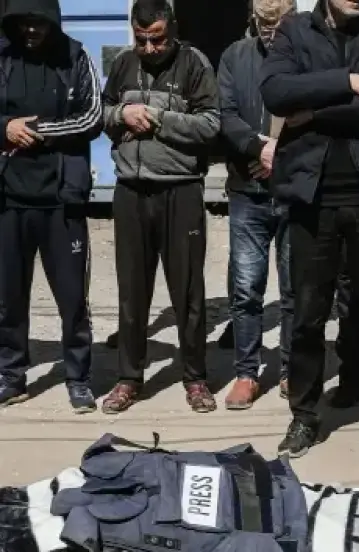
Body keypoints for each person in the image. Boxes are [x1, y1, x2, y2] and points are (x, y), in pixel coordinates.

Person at [260, 0, 359, 456]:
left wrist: (312, 112)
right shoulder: (294, 31)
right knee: (307, 318)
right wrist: (349, 82)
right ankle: (305, 416)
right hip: (312, 197)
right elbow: (276, 93)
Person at [100, 0, 221, 414]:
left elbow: (211, 124)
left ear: (173, 29)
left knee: (187, 291)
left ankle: (195, 378)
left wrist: (157, 118)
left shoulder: (194, 64)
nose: (150, 49)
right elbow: (102, 113)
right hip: (131, 190)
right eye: (142, 40)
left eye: (158, 40)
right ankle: (128, 378)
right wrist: (122, 113)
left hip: (180, 190)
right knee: (132, 292)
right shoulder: (122, 63)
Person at [0, 0, 103, 412]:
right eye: (23, 23)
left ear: (53, 21)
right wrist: (5, 128)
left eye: (39, 23)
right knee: (8, 298)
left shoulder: (74, 56)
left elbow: (92, 116)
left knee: (72, 298)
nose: (31, 31)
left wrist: (40, 131)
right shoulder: (3, 56)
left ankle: (79, 378)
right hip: (9, 198)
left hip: (62, 199)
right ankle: (11, 376)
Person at [218, 0, 296, 410]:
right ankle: (246, 373)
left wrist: (282, 153)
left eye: (277, 22)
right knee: (247, 288)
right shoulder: (235, 56)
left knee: (295, 288)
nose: (270, 30)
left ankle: (292, 370)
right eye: (264, 23)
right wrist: (256, 148)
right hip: (247, 189)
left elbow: (319, 111)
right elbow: (225, 114)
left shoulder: (309, 54)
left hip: (294, 189)